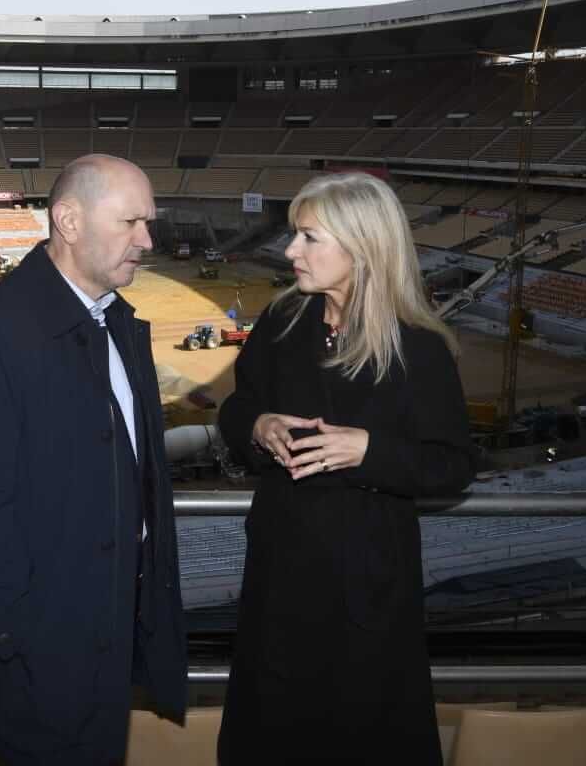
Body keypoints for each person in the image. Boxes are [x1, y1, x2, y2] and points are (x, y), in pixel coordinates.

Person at [0, 154, 187, 764]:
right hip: (35, 665)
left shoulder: (117, 323)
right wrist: (28, 636)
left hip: (104, 644)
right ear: (68, 221)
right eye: (129, 223)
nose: (146, 241)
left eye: (148, 223)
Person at [217, 172, 475, 765]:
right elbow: (237, 408)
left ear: (362, 246)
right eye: (295, 235)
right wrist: (257, 427)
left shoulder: (419, 346)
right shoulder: (282, 322)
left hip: (369, 594)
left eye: (309, 237)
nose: (291, 251)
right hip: (279, 581)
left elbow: (453, 465)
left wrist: (369, 451)